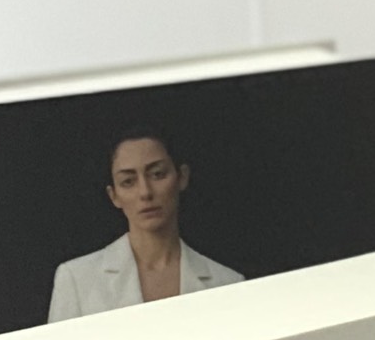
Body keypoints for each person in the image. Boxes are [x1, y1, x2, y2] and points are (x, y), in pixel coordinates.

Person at [47, 128, 242, 321]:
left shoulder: (228, 283)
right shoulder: (77, 280)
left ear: (182, 177)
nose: (145, 192)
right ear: (114, 196)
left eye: (157, 174)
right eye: (128, 181)